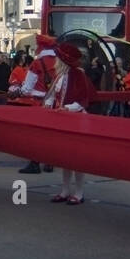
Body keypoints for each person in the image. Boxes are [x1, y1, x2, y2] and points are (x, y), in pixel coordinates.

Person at [45, 42, 91, 205]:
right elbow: (52, 94)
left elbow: (83, 98)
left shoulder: (78, 74)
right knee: (64, 158)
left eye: (57, 57)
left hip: (75, 119)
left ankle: (79, 193)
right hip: (62, 119)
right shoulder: (59, 75)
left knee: (77, 158)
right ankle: (65, 191)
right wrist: (49, 103)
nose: (54, 60)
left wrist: (68, 108)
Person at [9, 34, 58, 173]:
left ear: (41, 47)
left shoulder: (37, 63)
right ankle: (50, 162)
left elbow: (27, 88)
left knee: (35, 134)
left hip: (39, 103)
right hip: (56, 103)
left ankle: (35, 163)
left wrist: (16, 93)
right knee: (51, 134)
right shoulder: (59, 62)